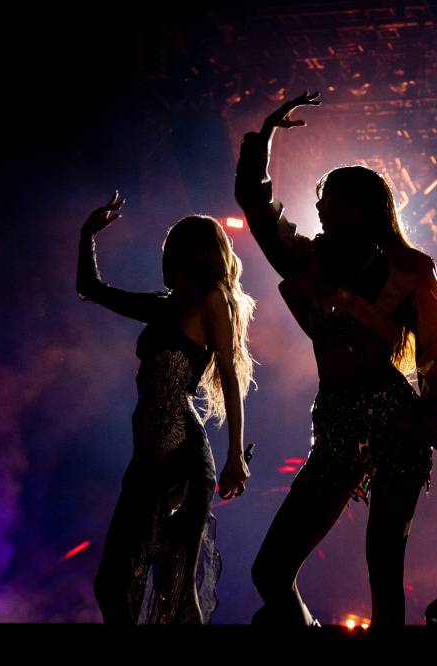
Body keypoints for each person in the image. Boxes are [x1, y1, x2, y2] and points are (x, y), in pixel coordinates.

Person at [235, 92, 437, 626]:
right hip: (336, 416)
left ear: (360, 206)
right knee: (270, 571)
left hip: (396, 419)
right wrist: (263, 138)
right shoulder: (307, 261)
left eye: (329, 198)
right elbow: (254, 203)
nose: (318, 207)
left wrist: (430, 412)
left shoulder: (409, 268)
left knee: (384, 567)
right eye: (319, 199)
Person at [78, 195, 255, 623]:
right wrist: (87, 236)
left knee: (173, 592)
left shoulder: (211, 298)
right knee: (115, 584)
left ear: (188, 254)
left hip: (181, 457)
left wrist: (235, 456)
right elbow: (91, 290)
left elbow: (231, 377)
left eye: (171, 250)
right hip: (150, 455)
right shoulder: (165, 304)